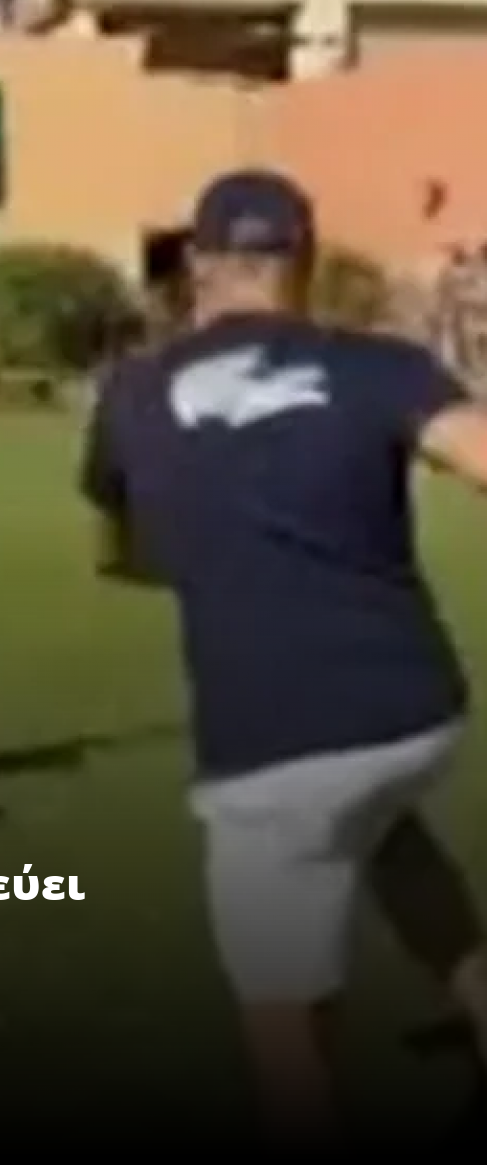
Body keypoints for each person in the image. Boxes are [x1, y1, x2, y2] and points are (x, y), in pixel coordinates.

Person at [79, 169, 487, 1152]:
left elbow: (119, 550)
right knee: (384, 829)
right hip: (416, 710)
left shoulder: (131, 392)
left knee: (283, 1022)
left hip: (276, 743)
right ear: (303, 264)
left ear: (200, 267)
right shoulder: (380, 365)